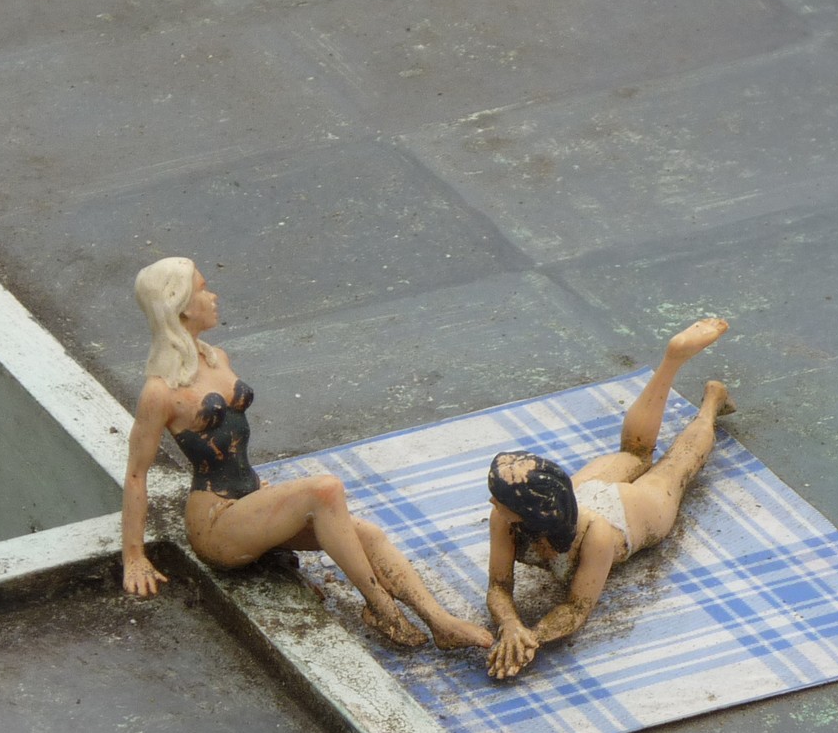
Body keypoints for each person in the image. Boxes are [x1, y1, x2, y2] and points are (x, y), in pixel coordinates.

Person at [121, 256, 493, 650]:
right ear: (180, 305)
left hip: (250, 502)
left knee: (368, 534)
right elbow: (135, 474)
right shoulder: (160, 392)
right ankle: (384, 610)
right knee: (324, 489)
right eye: (202, 289)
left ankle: (440, 621)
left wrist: (264, 500)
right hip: (217, 525)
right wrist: (134, 556)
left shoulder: (217, 359)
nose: (213, 296)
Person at [485, 317, 731, 679]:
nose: (492, 504)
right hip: (583, 492)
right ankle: (671, 361)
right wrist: (510, 625)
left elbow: (576, 608)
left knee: (677, 466)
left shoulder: (596, 535)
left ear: (530, 512)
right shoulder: (505, 518)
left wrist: (530, 638)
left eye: (500, 499)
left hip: (626, 514)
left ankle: (711, 403)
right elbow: (498, 587)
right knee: (634, 453)